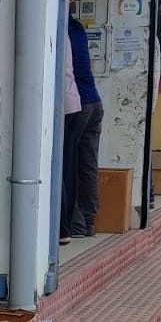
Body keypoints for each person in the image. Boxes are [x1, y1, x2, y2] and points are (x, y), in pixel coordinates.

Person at [68, 16, 103, 237]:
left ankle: (75, 224)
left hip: (78, 104)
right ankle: (88, 220)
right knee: (88, 164)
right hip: (95, 102)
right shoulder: (78, 28)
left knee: (68, 164)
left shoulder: (61, 31)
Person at [59, 32, 83, 245]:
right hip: (73, 103)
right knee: (68, 168)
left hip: (62, 107)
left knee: (58, 168)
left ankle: (62, 227)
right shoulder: (68, 32)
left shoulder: (57, 30)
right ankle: (68, 226)